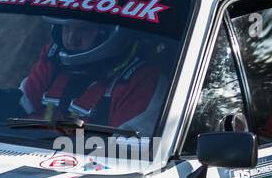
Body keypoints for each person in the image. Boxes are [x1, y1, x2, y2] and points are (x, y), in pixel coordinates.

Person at [18, 17, 165, 130]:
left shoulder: (142, 81)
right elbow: (21, 106)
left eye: (83, 29)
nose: (71, 39)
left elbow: (126, 153)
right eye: (66, 28)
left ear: (108, 32)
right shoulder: (54, 58)